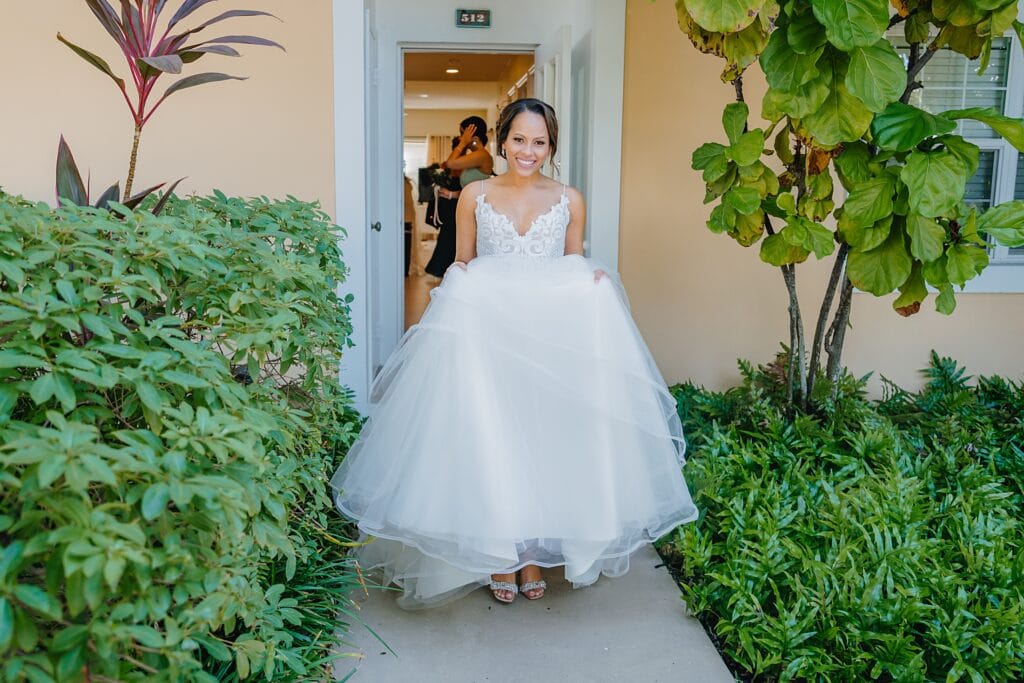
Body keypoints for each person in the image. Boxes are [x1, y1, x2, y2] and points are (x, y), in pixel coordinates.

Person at [331, 98, 698, 609]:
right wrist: (456, 285)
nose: (529, 151)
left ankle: (532, 552)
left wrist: (590, 281)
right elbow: (463, 260)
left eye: (540, 142)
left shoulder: (569, 197)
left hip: (549, 333)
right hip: (490, 328)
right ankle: (501, 550)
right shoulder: (473, 193)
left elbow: (571, 261)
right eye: (520, 140)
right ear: (502, 141)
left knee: (541, 432)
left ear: (552, 146)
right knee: (493, 432)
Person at [424, 116, 494, 277]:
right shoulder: (474, 156)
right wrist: (450, 194)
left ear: (472, 134)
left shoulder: (482, 155)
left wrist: (462, 143)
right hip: (467, 208)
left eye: (462, 134)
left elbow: (450, 163)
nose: (461, 138)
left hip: (478, 212)